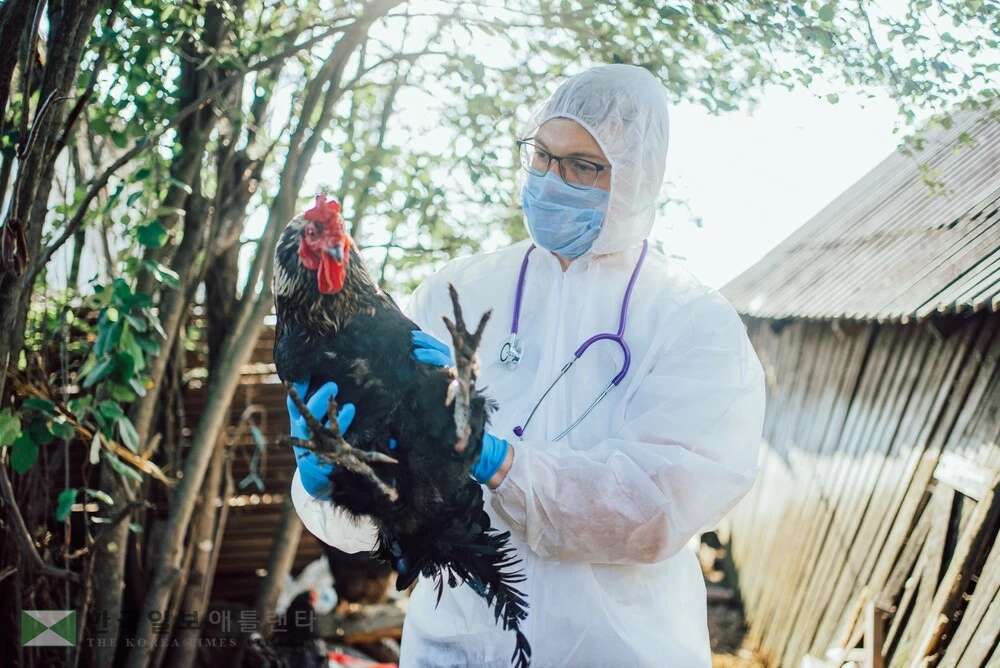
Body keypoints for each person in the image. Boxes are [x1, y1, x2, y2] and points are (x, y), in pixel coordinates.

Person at [289, 64, 766, 667]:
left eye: (582, 166)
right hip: (453, 651)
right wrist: (337, 482)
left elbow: (657, 509)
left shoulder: (691, 321)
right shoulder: (455, 293)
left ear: (637, 177)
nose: (551, 179)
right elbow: (394, 512)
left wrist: (500, 463)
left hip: (618, 653)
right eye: (542, 155)